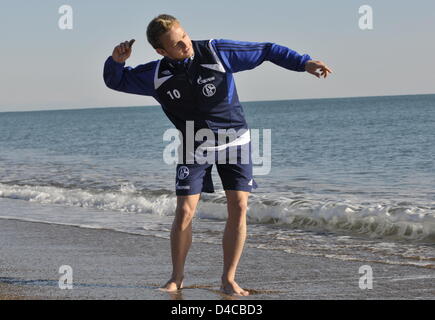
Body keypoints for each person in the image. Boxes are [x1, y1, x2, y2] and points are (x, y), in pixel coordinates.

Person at [103, 14, 332, 296]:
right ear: (162, 51)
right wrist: (116, 61)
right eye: (177, 44)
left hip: (235, 141)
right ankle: (176, 277)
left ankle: (228, 279)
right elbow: (116, 81)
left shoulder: (216, 51)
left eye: (184, 36)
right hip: (194, 143)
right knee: (185, 211)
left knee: (237, 206)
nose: (186, 44)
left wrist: (303, 62)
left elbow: (267, 50)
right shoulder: (156, 75)